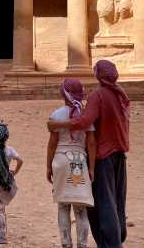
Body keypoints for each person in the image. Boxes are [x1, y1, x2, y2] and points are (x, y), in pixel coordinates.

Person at [48, 60, 130, 248]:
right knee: (117, 199)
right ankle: (117, 237)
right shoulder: (120, 95)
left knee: (103, 202)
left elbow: (85, 121)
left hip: (103, 156)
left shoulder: (98, 96)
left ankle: (110, 243)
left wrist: (58, 125)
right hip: (119, 153)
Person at [47, 79, 96, 248]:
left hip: (61, 160)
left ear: (63, 94)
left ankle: (66, 243)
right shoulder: (86, 115)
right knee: (80, 207)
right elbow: (91, 143)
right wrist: (91, 167)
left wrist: (48, 166)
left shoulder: (56, 115)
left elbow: (52, 143)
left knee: (63, 205)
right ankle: (82, 244)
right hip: (80, 162)